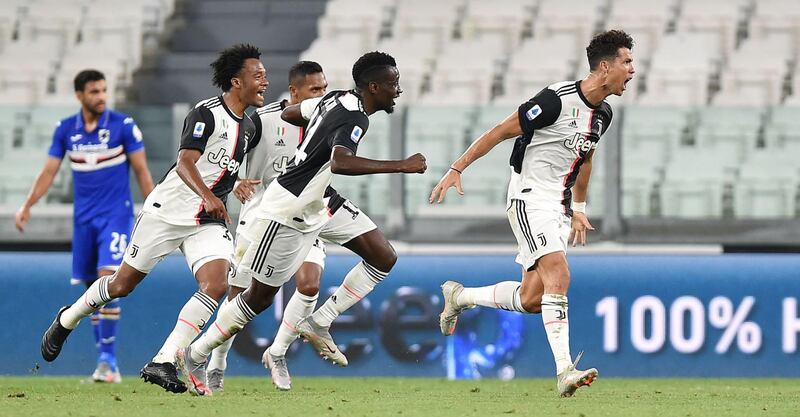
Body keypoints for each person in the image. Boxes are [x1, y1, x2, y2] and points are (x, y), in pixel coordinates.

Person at [176, 51, 427, 396]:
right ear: (373, 87)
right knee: (257, 298)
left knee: (383, 256)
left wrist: (312, 141)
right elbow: (341, 162)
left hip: (321, 201)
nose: (397, 90)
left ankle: (319, 322)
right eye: (392, 84)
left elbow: (294, 112)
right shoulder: (354, 118)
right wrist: (401, 165)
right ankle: (197, 353)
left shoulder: (336, 98)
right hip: (288, 209)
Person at [40, 44, 269, 395]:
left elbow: (219, 167)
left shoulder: (251, 128)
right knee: (121, 286)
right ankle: (67, 318)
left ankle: (163, 361)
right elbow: (185, 163)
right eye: (258, 75)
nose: (265, 81)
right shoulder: (205, 113)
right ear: (236, 82)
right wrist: (208, 195)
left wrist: (233, 185)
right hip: (167, 211)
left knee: (217, 284)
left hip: (205, 220)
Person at [429, 30, 635, 397]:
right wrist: (457, 167)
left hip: (557, 206)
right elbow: (501, 130)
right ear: (606, 67)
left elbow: (585, 157)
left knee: (532, 300)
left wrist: (579, 208)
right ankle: (565, 371)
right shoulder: (555, 100)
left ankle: (459, 297)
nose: (633, 70)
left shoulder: (603, 114)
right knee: (560, 273)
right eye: (627, 62)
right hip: (529, 196)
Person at [16, 69, 154, 383]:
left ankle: (108, 360)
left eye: (104, 90)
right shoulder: (66, 129)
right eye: (94, 91)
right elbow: (49, 172)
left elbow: (143, 172)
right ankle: (106, 364)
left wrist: (155, 212)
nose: (101, 97)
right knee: (91, 290)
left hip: (116, 217)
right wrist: (27, 205)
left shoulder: (123, 126)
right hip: (84, 222)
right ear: (80, 95)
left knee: (109, 279)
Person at [205, 60, 331, 392]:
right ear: (295, 92)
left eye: (324, 89)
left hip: (304, 217)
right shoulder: (262, 120)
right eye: (315, 89)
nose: (322, 95)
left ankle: (277, 353)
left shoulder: (329, 120)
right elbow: (226, 157)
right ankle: (217, 362)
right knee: (238, 297)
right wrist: (234, 185)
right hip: (260, 218)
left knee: (309, 283)